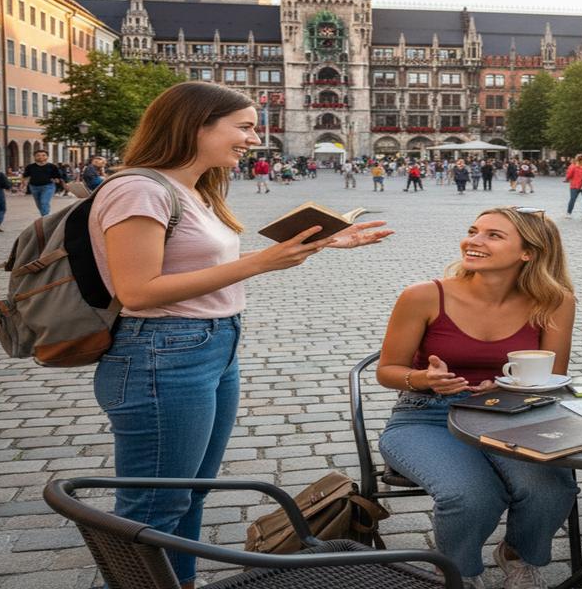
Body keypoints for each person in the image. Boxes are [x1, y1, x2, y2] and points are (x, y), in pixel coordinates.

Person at [90, 82, 392, 588]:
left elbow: (199, 263)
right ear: (196, 126)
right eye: (245, 127)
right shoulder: (138, 188)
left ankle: (179, 583)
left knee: (191, 492)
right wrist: (261, 263)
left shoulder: (191, 188)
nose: (254, 140)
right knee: (153, 506)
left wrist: (320, 243)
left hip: (209, 347)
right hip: (161, 352)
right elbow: (138, 290)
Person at [377, 207, 578, 589]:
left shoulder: (555, 301)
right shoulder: (423, 295)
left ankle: (519, 556)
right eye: (473, 231)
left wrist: (506, 388)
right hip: (426, 416)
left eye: (493, 235)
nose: (474, 241)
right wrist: (423, 378)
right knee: (470, 494)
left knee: (552, 487)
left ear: (528, 253)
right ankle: (459, 575)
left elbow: (550, 377)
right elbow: (388, 371)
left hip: (513, 415)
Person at [22, 149, 63, 216]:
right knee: (39, 204)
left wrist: (57, 181)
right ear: (34, 157)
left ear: (47, 157)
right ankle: (46, 216)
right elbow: (26, 177)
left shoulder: (52, 166)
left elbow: (58, 177)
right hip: (34, 187)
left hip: (48, 187)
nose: (41, 157)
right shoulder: (30, 167)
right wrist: (23, 185)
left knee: (44, 202)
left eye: (43, 155)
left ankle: (46, 219)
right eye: (38, 155)